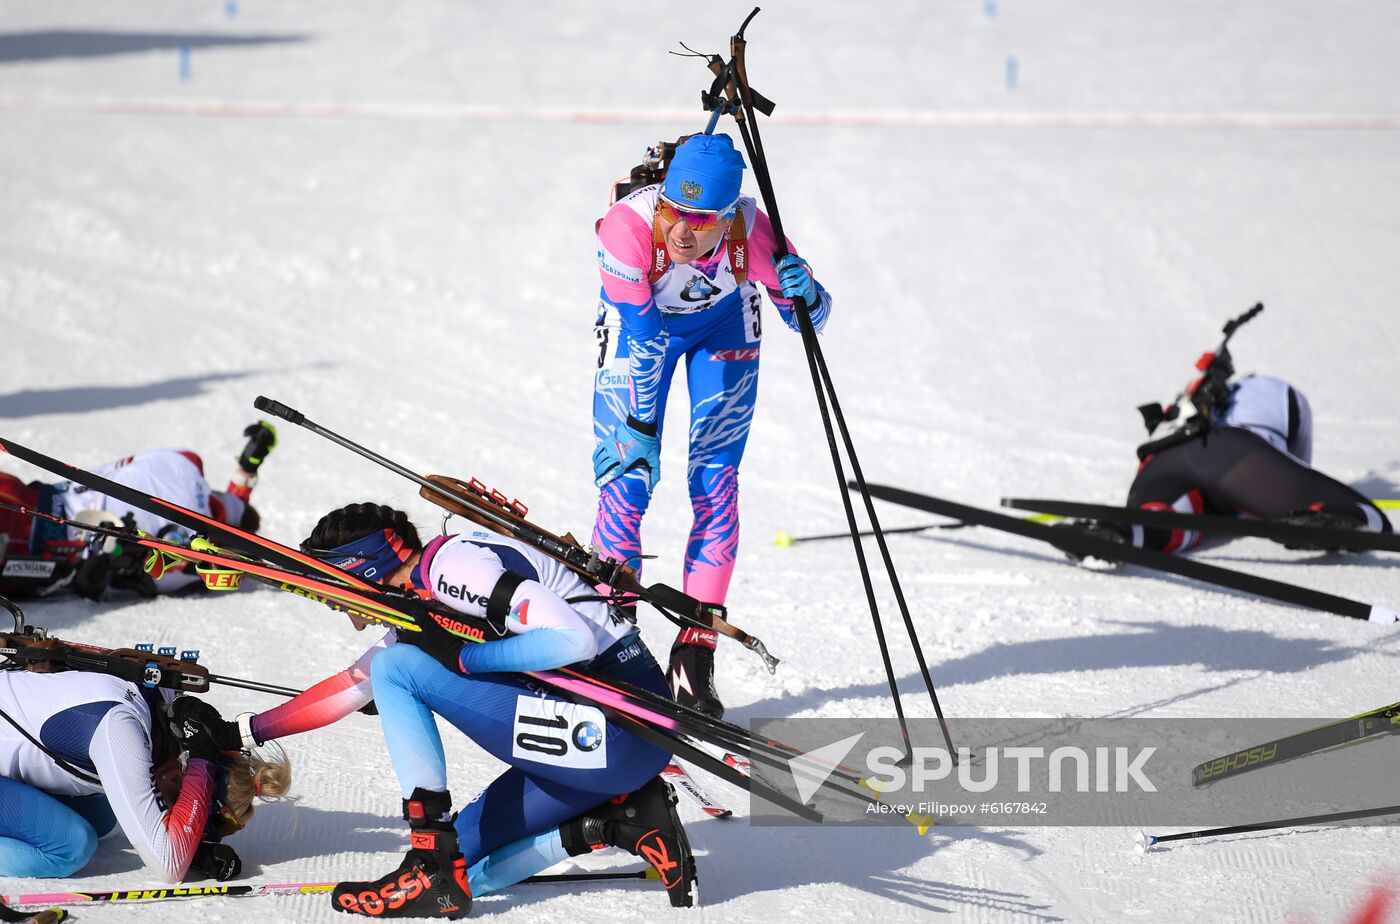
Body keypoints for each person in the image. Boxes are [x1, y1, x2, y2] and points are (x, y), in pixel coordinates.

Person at [189, 503, 695, 919]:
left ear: (363, 569)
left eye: (340, 601)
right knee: (466, 869)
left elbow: (572, 637)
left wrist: (465, 659)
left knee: (396, 667)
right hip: (605, 748)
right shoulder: (421, 601)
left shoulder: (451, 569)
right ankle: (616, 822)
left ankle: (427, 856)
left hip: (617, 732)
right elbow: (349, 688)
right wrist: (243, 731)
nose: (351, 620)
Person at [591, 132, 834, 718]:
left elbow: (811, 321)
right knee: (626, 479)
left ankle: (692, 659)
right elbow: (645, 341)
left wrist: (806, 293)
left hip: (724, 327)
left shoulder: (752, 233)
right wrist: (641, 432)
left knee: (716, 484)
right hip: (640, 330)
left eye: (702, 220)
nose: (682, 232)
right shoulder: (624, 232)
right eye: (675, 211)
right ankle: (608, 647)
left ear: (728, 217)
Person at [0, 637, 291, 883]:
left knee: (103, 815)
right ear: (177, 779)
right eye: (183, 806)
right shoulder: (121, 732)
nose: (174, 820)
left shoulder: (161, 706)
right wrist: (203, 759)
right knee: (71, 847)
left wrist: (198, 849)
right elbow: (168, 865)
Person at [1058, 373, 1391, 560]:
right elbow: (1297, 463)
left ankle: (1119, 533)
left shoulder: (1192, 398)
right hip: (1232, 456)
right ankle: (1353, 520)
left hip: (1160, 462)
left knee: (1160, 518)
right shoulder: (1279, 390)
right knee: (1366, 516)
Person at [0, 421, 276, 600]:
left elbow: (226, 509)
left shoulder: (185, 461)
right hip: (31, 552)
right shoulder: (190, 566)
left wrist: (247, 469)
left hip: (25, 499)